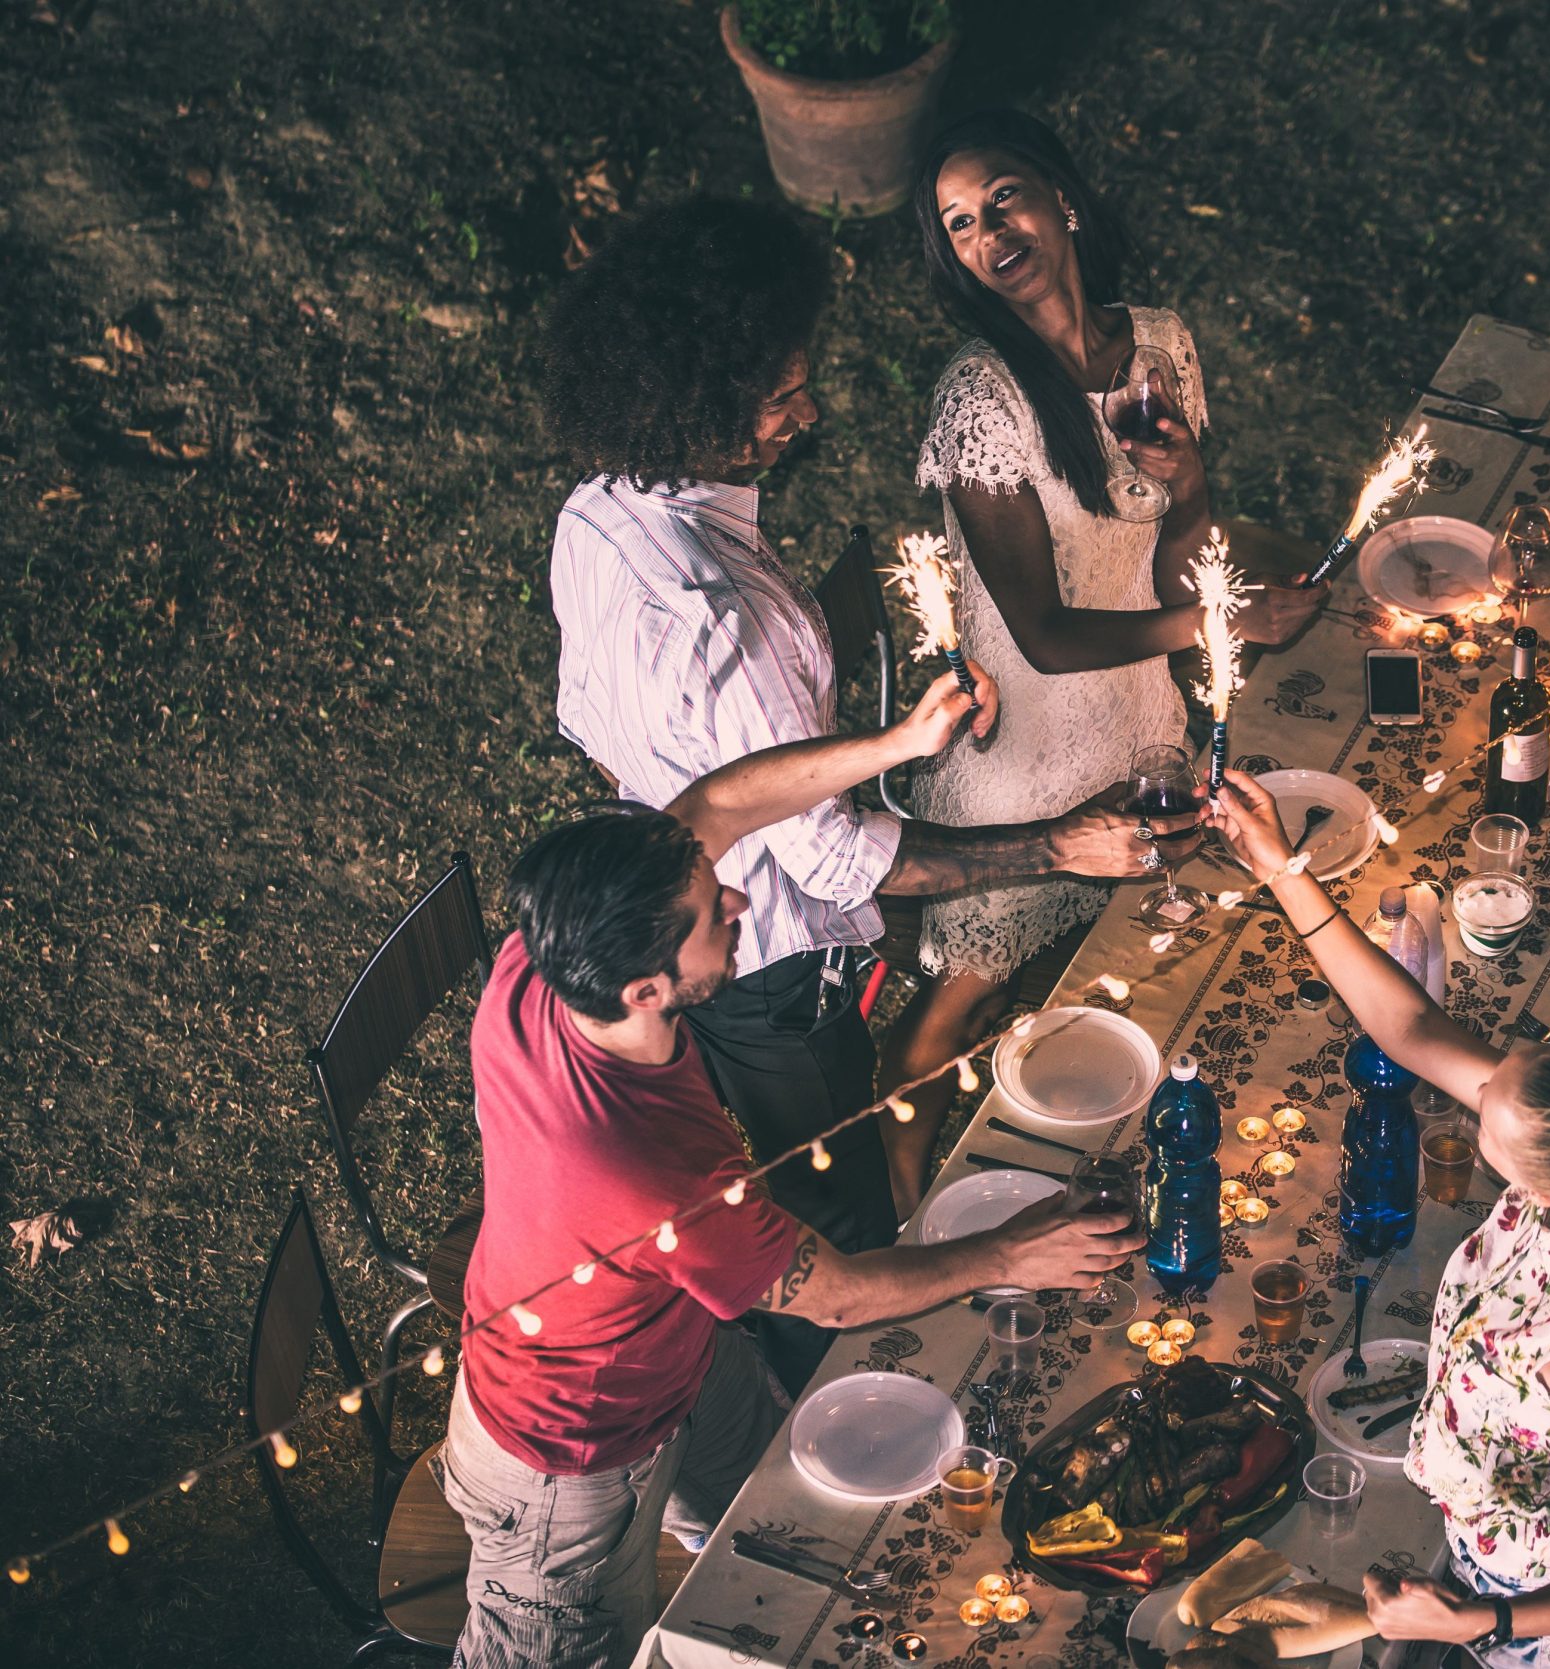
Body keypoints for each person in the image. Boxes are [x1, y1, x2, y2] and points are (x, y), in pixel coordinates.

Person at [441, 677, 1148, 1669]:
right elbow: (843, 1293)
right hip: (569, 1461)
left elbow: (718, 805)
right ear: (649, 989)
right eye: (709, 911)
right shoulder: (652, 1177)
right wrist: (1017, 1251)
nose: (736, 897)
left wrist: (901, 739)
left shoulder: (542, 966)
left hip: (684, 1351)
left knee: (772, 1543)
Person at [542, 195, 1191, 1272]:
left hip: (665, 894)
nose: (807, 414)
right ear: (697, 404)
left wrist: (889, 744)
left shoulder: (594, 510)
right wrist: (1057, 844)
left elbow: (598, 729)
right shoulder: (729, 623)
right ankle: (857, 1347)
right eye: (780, 397)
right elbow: (835, 860)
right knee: (829, 1188)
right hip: (770, 966)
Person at [884, 109, 1328, 1145]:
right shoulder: (982, 405)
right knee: (947, 1027)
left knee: (1157, 969)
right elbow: (1041, 634)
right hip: (1025, 758)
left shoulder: (1157, 344)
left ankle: (1089, 1146)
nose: (987, 232)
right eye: (956, 225)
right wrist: (1217, 618)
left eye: (1000, 199)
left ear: (1061, 200)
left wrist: (1192, 482)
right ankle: (902, 1188)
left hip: (1145, 728)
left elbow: (1175, 554)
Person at [1202, 772, 1550, 1669]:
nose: (1473, 1087)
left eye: (1484, 1113)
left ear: (1532, 1179)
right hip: (1486, 1541)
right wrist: (1281, 868)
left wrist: (1478, 1626)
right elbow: (1411, 1023)